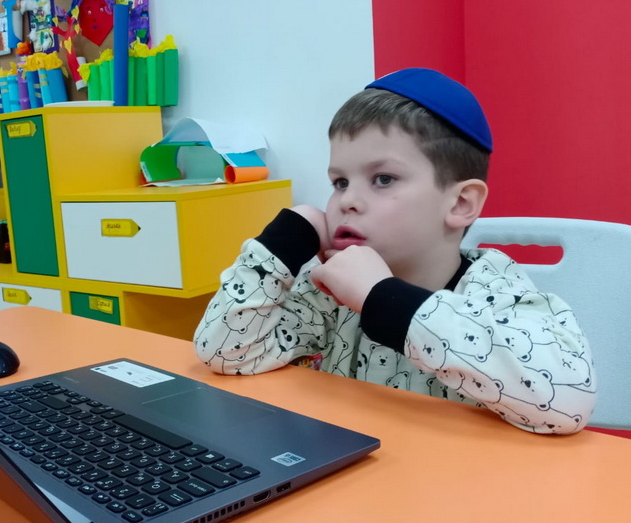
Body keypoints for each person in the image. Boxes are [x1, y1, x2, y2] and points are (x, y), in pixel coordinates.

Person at [194, 68, 596, 435]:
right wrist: (285, 239)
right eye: (340, 182)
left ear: (461, 203)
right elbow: (224, 353)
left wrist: (382, 298)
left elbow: (569, 401)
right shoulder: (331, 293)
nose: (348, 201)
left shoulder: (495, 290)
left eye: (383, 179)